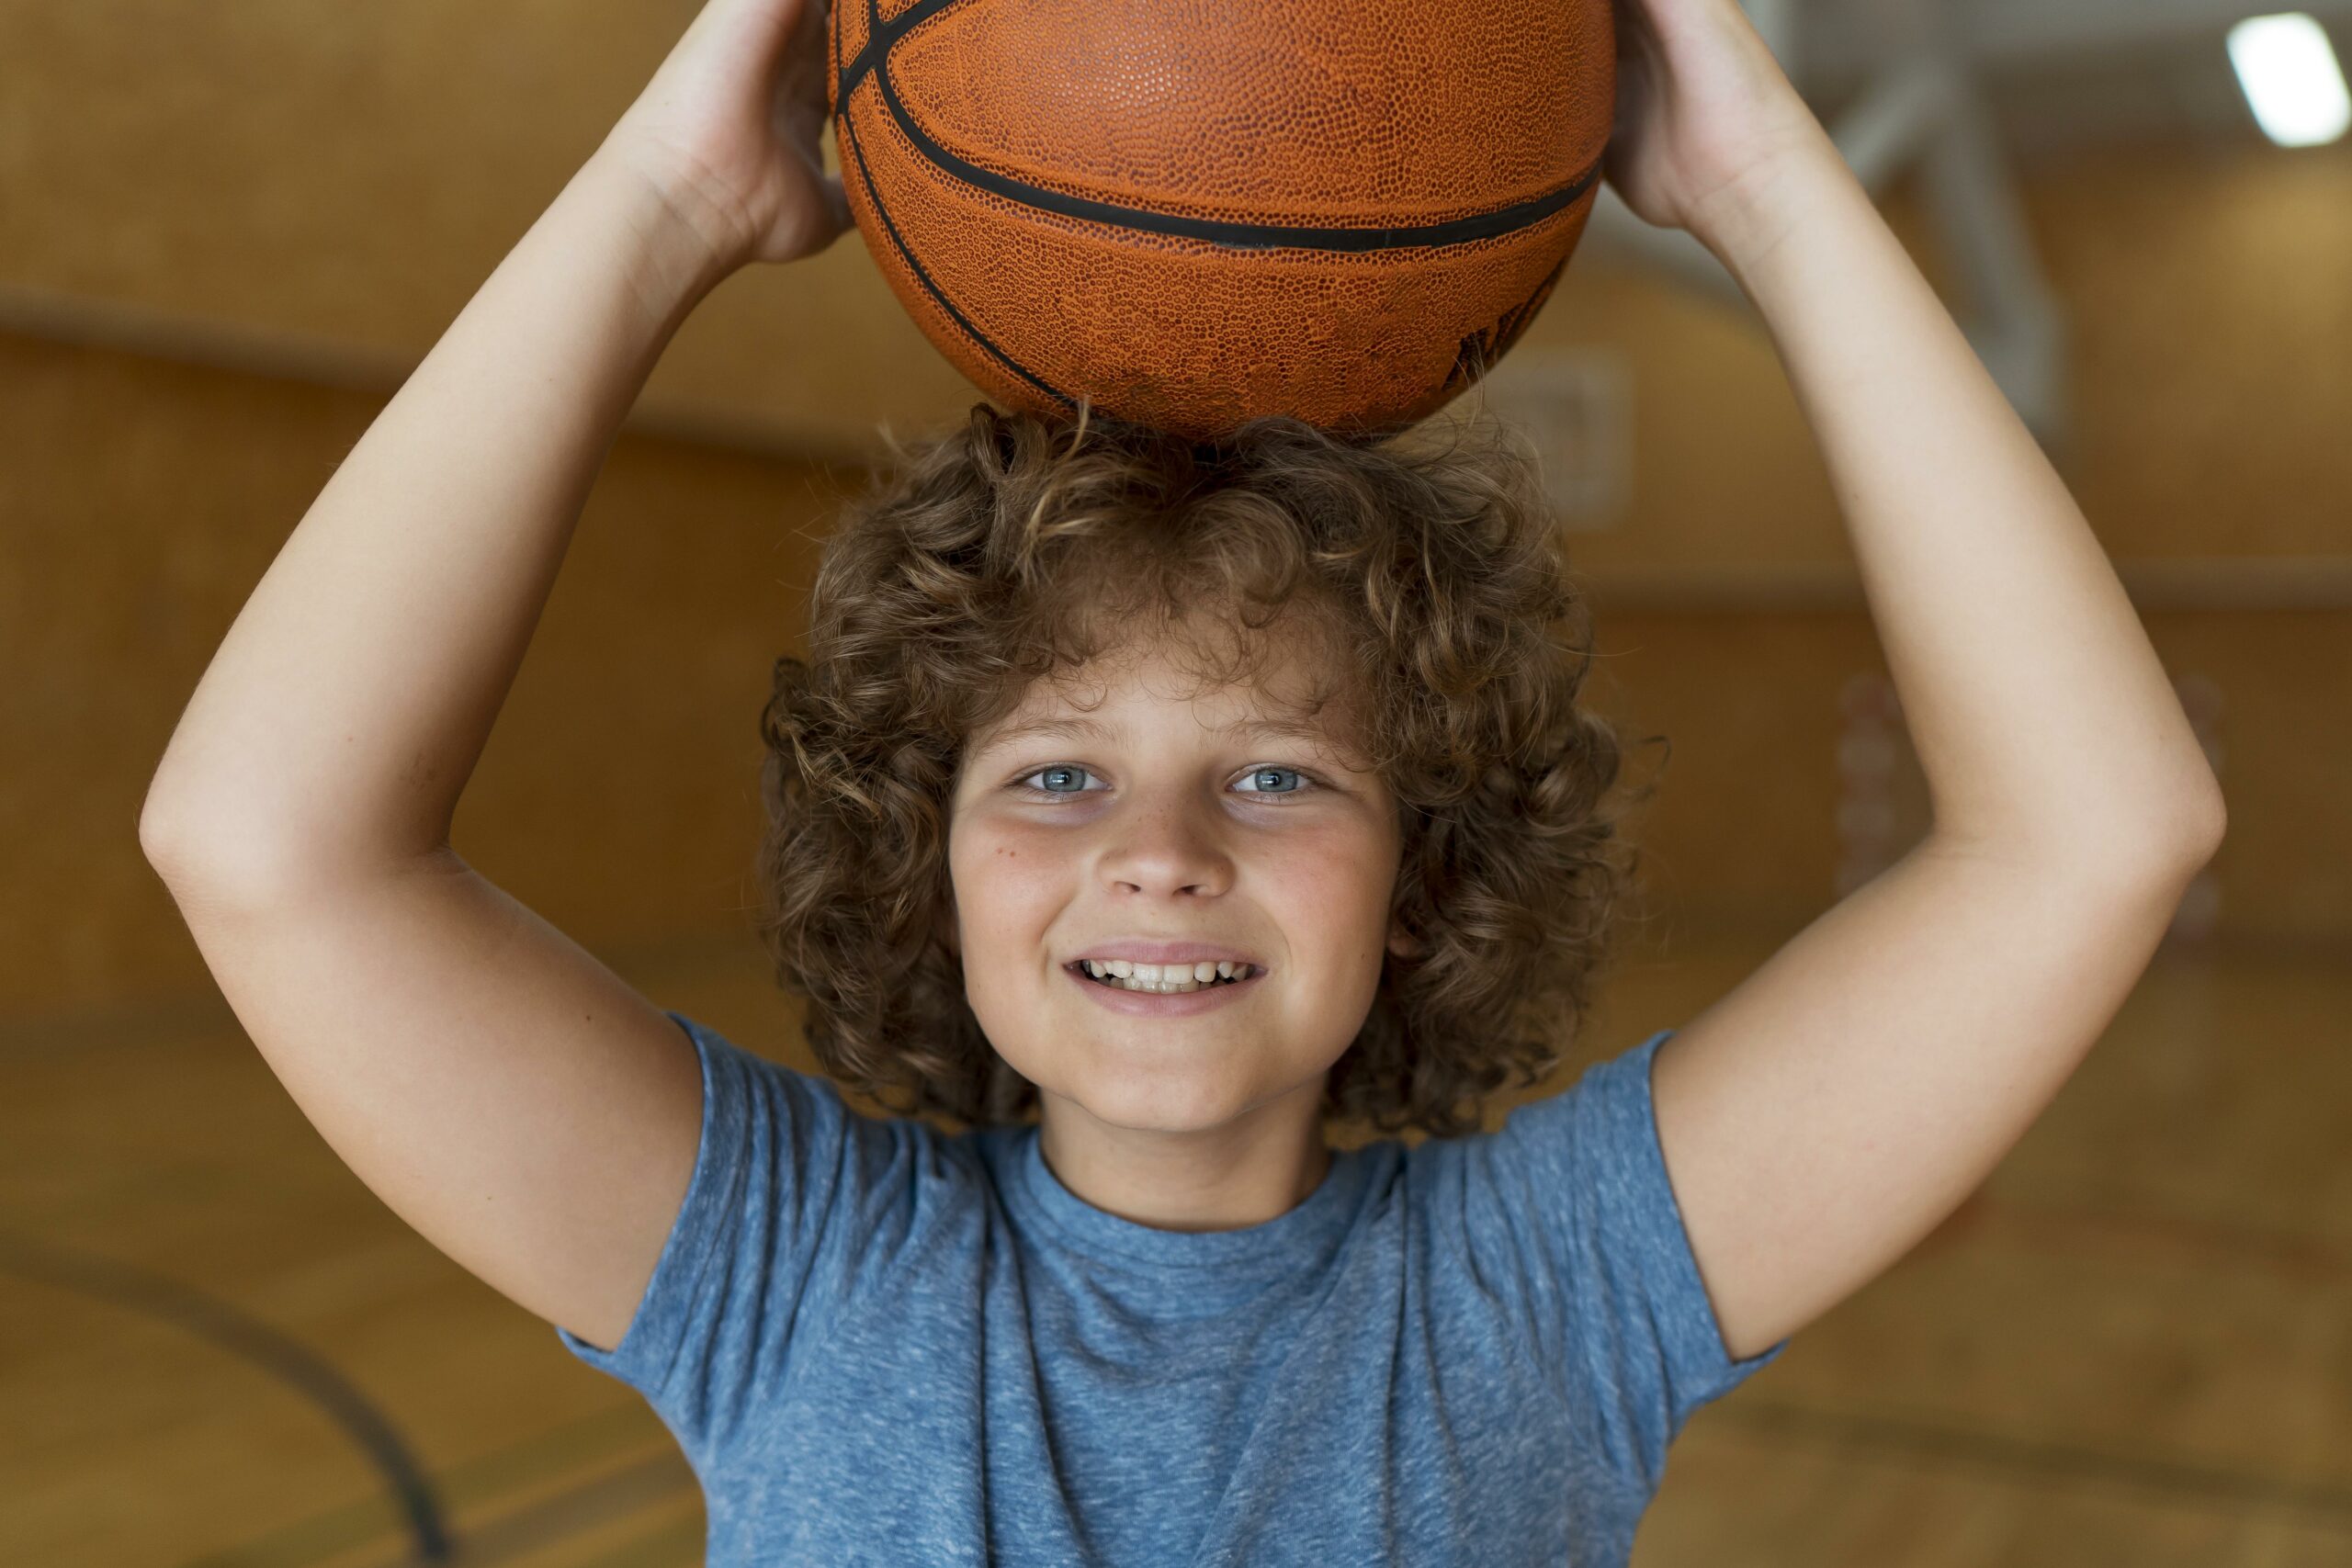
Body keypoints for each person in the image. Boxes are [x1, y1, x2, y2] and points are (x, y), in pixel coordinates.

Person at [138, 0, 2227, 1562]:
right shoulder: (799, 1279)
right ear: (923, 860)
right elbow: (263, 846)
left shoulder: (1544, 1295)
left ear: (1425, 867)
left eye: (1278, 777)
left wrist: (1764, 185)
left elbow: (2095, 835)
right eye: (1054, 774)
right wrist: (666, 201)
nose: (1156, 855)